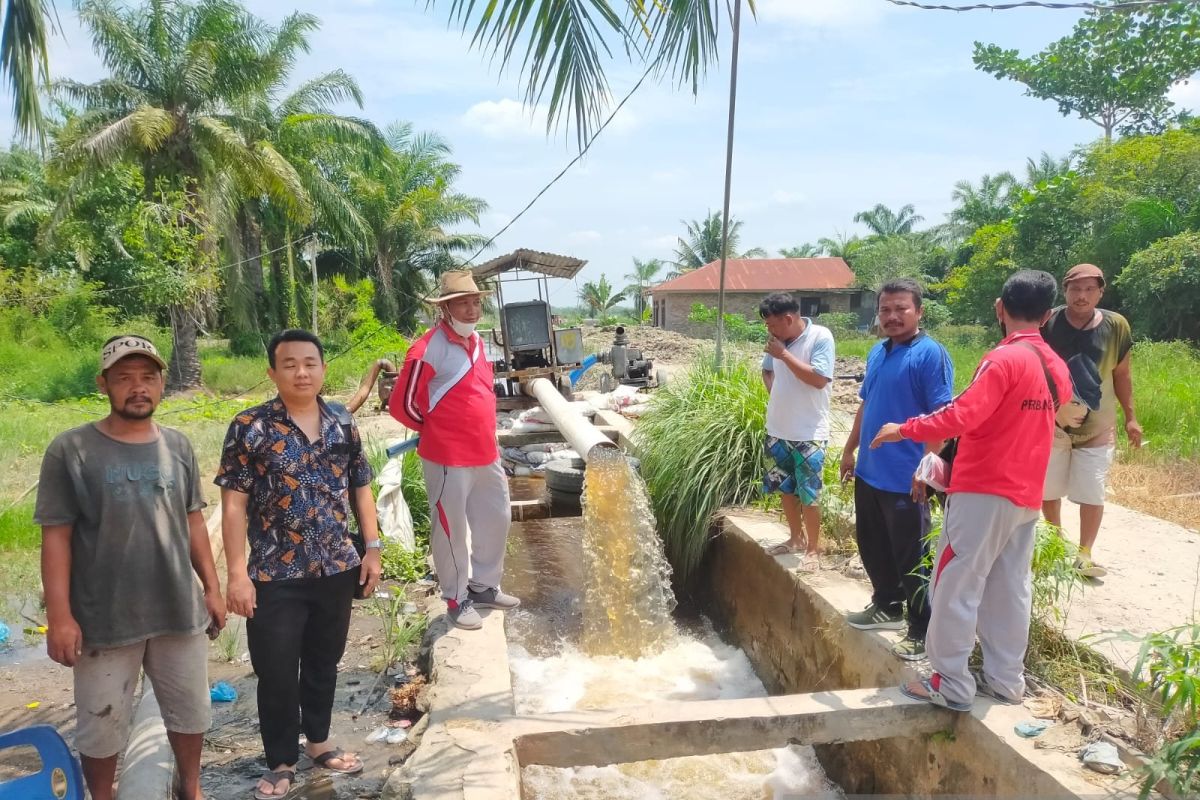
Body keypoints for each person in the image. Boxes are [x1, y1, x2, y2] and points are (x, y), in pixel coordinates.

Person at [871, 270, 1073, 712]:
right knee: (1009, 587)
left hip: (983, 491)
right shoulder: (1055, 366)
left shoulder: (1002, 360)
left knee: (954, 584)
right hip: (1024, 495)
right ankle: (1005, 681)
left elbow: (960, 415)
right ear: (1049, 314)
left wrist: (902, 429)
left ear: (1000, 309)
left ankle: (949, 684)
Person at [35, 334, 225, 800]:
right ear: (103, 384)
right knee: (101, 722)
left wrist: (212, 588)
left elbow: (194, 521)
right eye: (124, 378)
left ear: (162, 384)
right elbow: (55, 537)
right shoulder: (72, 450)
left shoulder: (178, 446)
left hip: (177, 609)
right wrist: (59, 617)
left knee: (190, 712)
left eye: (148, 377)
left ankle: (191, 790)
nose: (137, 387)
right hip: (103, 616)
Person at [217, 329, 382, 799]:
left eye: (310, 362)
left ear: (323, 369)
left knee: (324, 662)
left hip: (336, 566)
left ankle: (319, 742)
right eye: (289, 364)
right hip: (273, 573)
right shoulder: (250, 426)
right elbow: (233, 505)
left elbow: (361, 487)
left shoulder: (341, 422)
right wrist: (236, 574)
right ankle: (281, 761)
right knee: (275, 667)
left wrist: (372, 549)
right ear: (273, 373)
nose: (301, 371)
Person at [389, 270, 519, 630]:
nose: (472, 309)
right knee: (451, 530)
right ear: (446, 308)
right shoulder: (426, 349)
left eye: (476, 302)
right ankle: (456, 598)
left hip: (486, 452)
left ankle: (484, 585)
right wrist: (440, 431)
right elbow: (403, 406)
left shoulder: (479, 343)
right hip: (447, 457)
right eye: (463, 302)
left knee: (497, 518)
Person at [840, 279, 954, 661]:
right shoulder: (877, 352)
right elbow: (865, 405)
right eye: (885, 309)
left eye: (900, 309)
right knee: (873, 547)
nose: (891, 316)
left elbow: (943, 418)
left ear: (919, 311)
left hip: (907, 478)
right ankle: (886, 606)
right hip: (871, 472)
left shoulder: (930, 355)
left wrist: (925, 469)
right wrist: (848, 450)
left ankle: (922, 630)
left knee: (912, 556)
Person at [1040, 263, 1141, 578]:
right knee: (1048, 490)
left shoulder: (1116, 326)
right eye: (1075, 289)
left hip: (1098, 425)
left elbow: (1121, 374)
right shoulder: (1048, 321)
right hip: (1052, 423)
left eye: (1089, 290)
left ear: (1100, 291)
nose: (1081, 296)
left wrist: (1131, 418)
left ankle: (1084, 554)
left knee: (1092, 490)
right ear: (1065, 290)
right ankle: (1055, 543)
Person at [759, 292, 836, 569]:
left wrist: (784, 355)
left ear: (789, 318)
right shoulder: (777, 343)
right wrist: (777, 394)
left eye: (772, 325)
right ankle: (795, 539)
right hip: (778, 430)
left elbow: (818, 379)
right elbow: (767, 370)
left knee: (809, 494)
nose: (770, 331)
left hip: (809, 433)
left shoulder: (821, 338)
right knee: (785, 489)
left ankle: (813, 550)